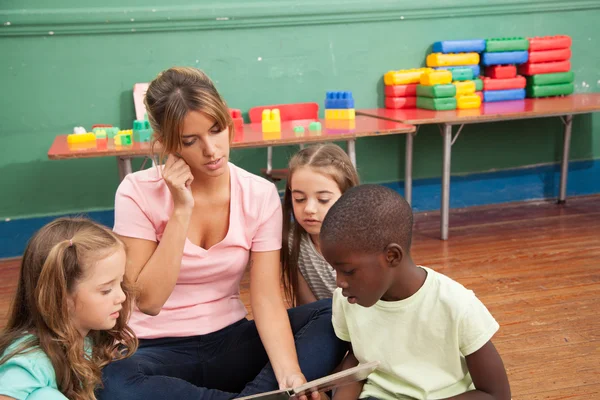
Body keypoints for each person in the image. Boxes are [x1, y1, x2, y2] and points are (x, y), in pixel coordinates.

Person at [98, 67, 346, 400]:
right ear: (168, 144)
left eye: (216, 131)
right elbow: (149, 301)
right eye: (190, 141)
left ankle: (265, 393)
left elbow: (267, 298)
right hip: (154, 350)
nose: (212, 149)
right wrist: (181, 209)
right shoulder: (136, 191)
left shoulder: (259, 194)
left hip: (230, 341)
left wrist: (290, 372)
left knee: (333, 313)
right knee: (111, 383)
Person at [320, 184, 511, 400]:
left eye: (348, 271)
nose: (339, 282)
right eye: (334, 270)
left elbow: (495, 394)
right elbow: (358, 357)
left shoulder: (456, 305)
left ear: (392, 256)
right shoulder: (347, 300)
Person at [0, 217, 137, 400]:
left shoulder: (88, 338)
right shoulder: (31, 361)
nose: (122, 296)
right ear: (60, 296)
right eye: (106, 290)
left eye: (120, 283)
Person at [281, 144, 359, 306]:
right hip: (324, 319)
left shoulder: (363, 243)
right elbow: (308, 308)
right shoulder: (292, 243)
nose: (309, 209)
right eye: (299, 199)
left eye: (323, 199)